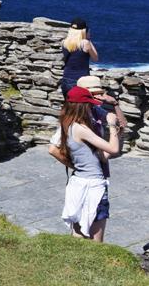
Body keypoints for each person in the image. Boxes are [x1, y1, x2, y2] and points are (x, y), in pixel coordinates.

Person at [49, 86, 121, 241]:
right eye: (89, 105)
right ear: (82, 107)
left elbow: (102, 157)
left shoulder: (67, 124)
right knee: (96, 241)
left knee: (78, 235)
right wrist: (111, 125)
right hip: (93, 186)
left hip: (78, 183)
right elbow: (114, 149)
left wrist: (117, 134)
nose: (91, 108)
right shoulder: (81, 129)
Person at [60, 18, 99, 95]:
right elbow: (95, 58)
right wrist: (88, 39)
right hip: (81, 81)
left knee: (68, 101)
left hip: (66, 78)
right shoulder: (85, 43)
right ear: (83, 31)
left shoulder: (64, 42)